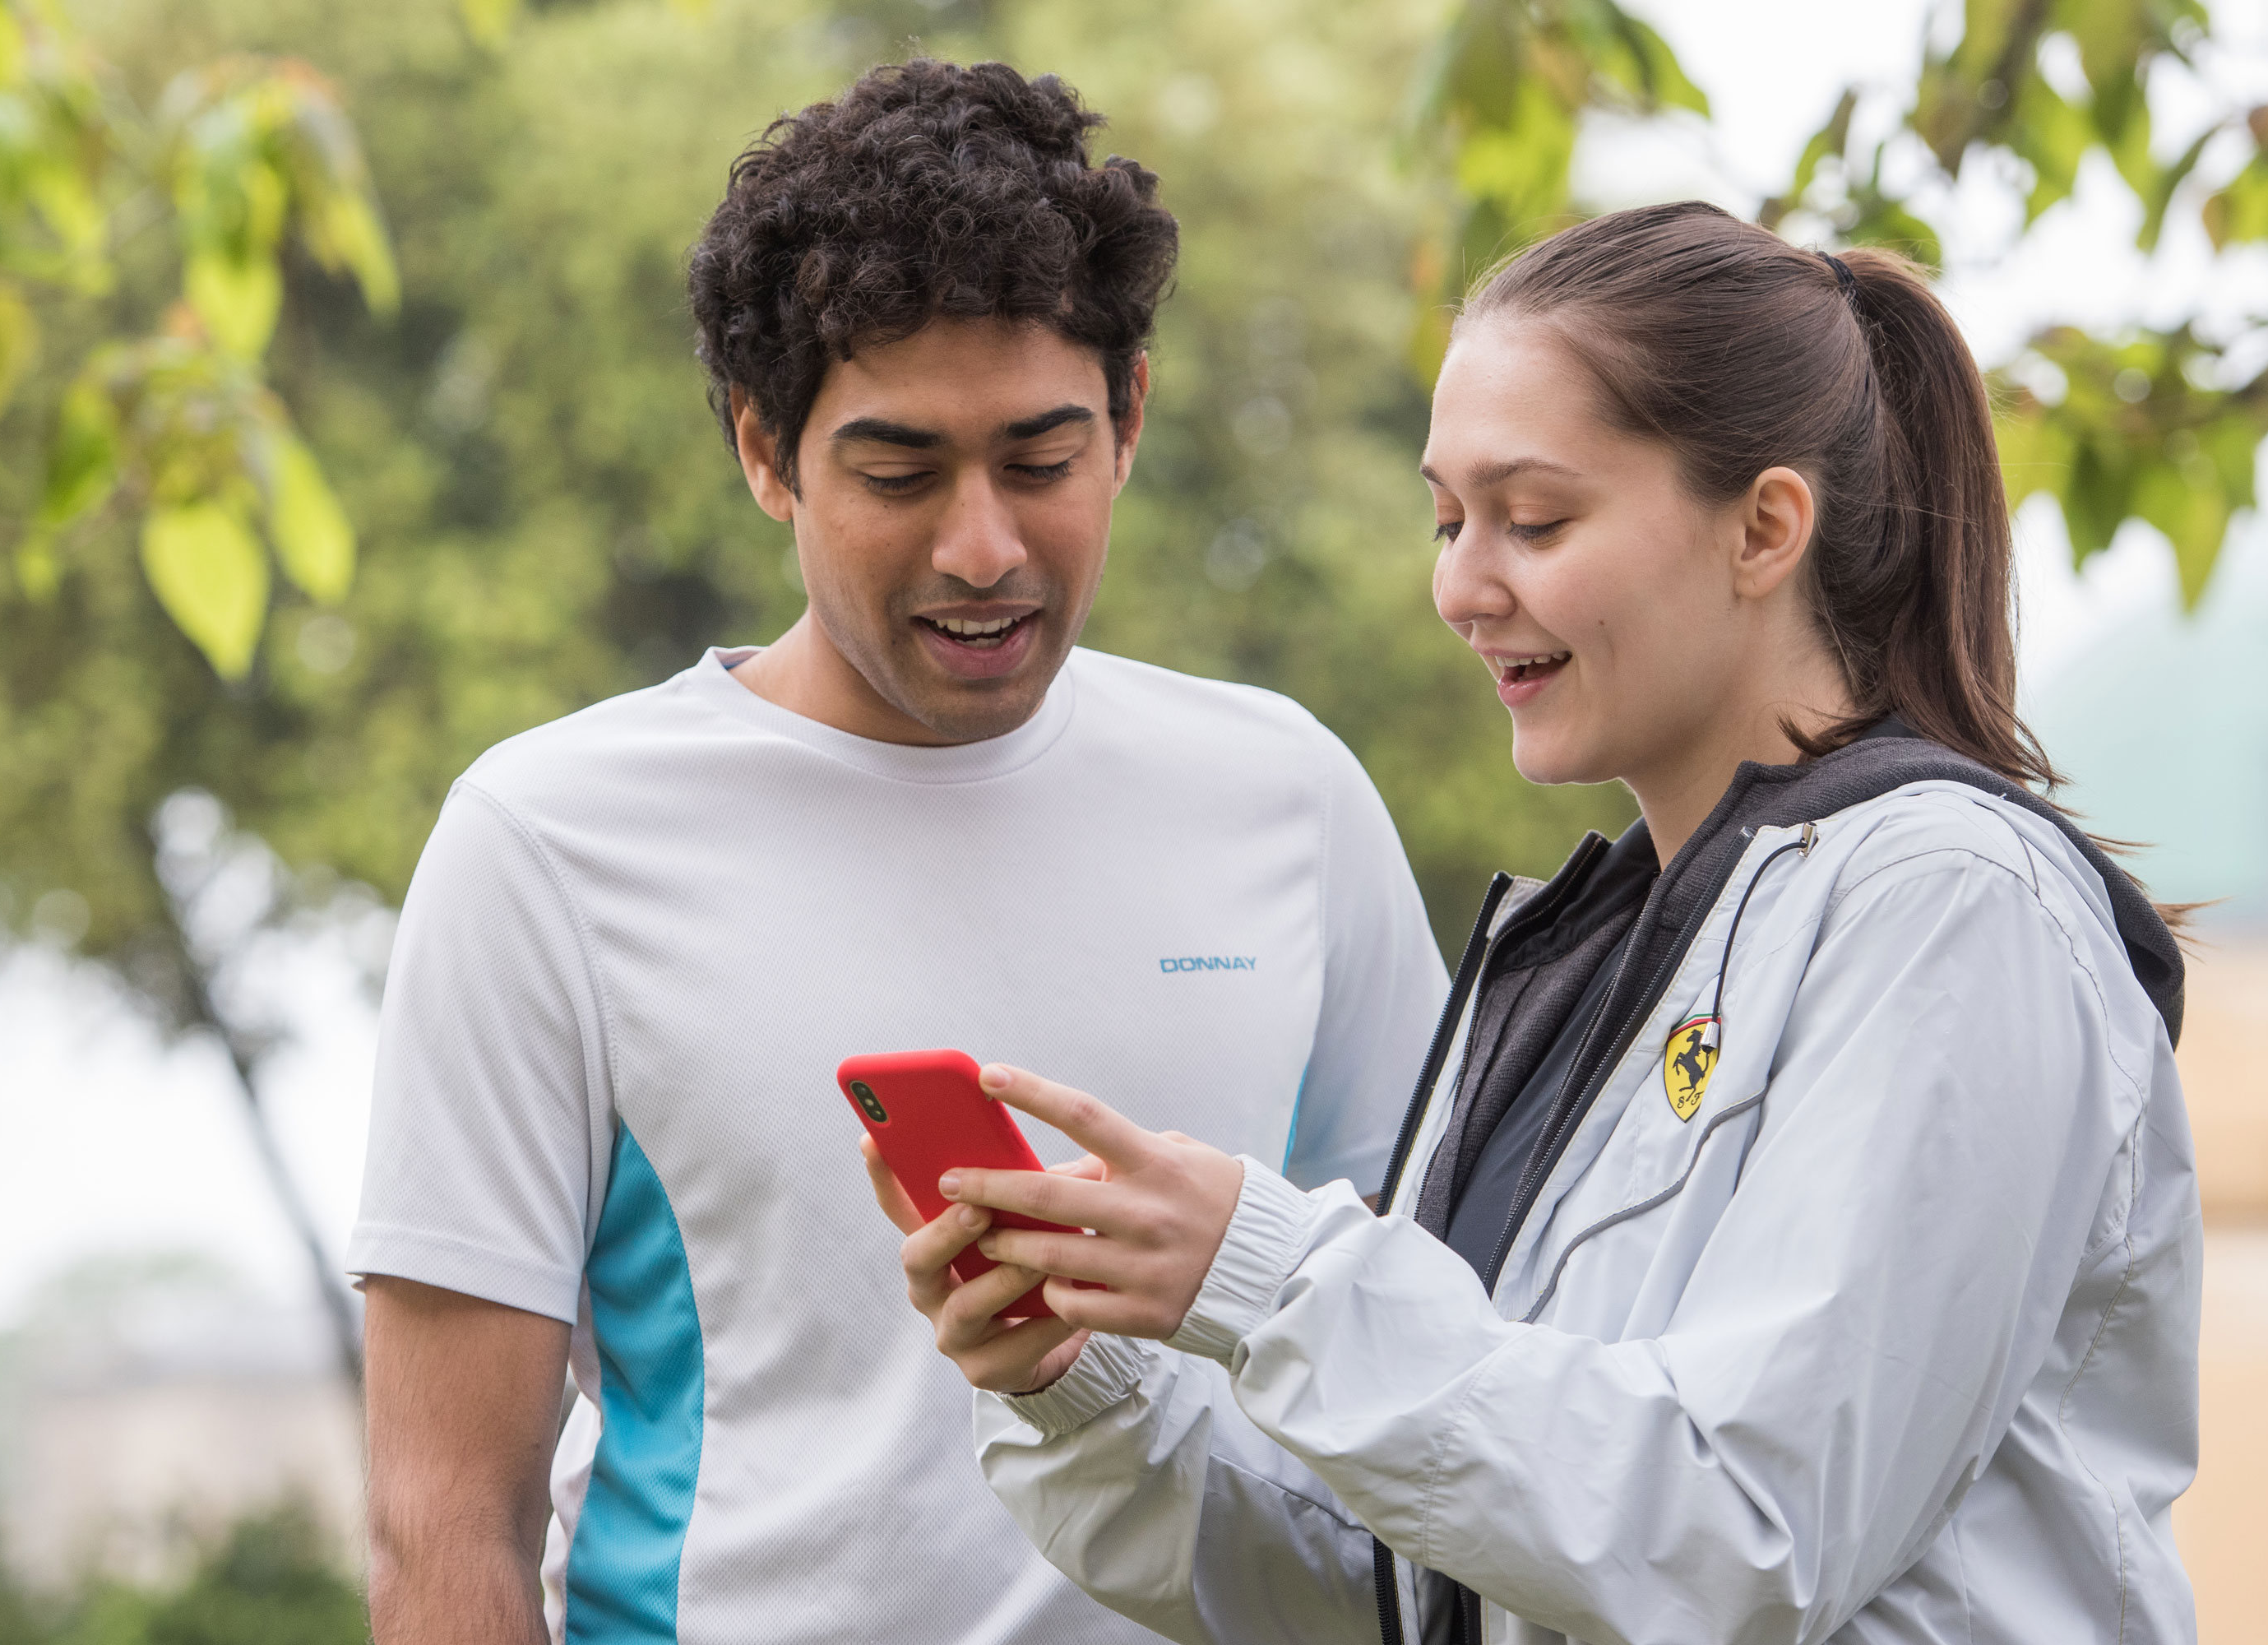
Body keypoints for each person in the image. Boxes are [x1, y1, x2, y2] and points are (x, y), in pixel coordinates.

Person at [878, 202, 2198, 1645]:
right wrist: (1074, 1386)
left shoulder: (1952, 905)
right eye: (1449, 521)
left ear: (1765, 528)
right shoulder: (1592, 962)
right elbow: (1418, 1583)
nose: (1459, 588)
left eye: (1535, 520)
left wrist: (1266, 1273)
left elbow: (1744, 1537)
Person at [349, 59, 1446, 1645]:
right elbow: (443, 1527)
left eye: (1041, 460)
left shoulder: (1288, 795)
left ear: (1130, 421)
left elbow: (1425, 1358)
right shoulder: (546, 846)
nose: (983, 547)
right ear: (764, 452)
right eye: (899, 472)